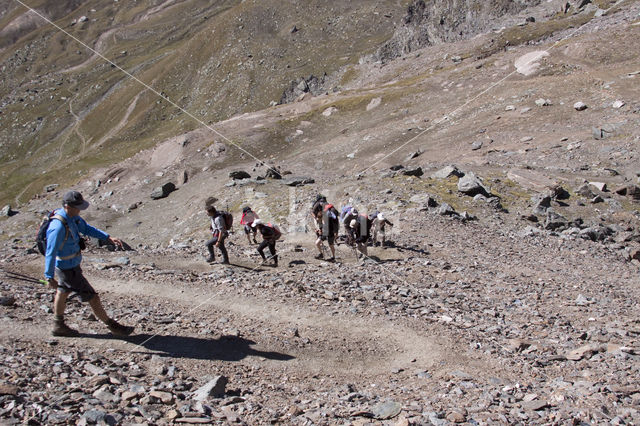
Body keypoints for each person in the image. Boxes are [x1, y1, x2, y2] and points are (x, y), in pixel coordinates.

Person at [44, 191, 134, 337]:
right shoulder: (58, 227)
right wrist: (48, 276)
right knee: (92, 297)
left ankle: (58, 324)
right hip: (68, 269)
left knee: (63, 291)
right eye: (77, 207)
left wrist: (107, 237)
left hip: (71, 266)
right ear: (67, 206)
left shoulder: (73, 218)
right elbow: (50, 251)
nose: (80, 210)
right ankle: (113, 327)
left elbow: (86, 229)